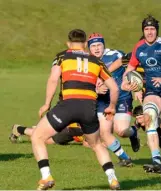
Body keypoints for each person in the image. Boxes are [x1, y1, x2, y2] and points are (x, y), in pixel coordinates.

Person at [30, 29, 120, 190]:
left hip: (68, 106)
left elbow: (52, 80)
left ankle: (46, 177)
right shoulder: (97, 61)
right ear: (85, 44)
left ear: (68, 44)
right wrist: (112, 107)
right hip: (89, 108)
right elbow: (114, 88)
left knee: (37, 136)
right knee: (97, 144)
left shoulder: (62, 57)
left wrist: (46, 104)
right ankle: (112, 179)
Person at [87, 33, 140, 167]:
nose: (97, 48)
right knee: (104, 134)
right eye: (93, 46)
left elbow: (130, 61)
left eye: (99, 45)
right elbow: (86, 85)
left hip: (122, 98)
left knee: (121, 131)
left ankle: (133, 132)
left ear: (104, 45)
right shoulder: (87, 63)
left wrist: (137, 86)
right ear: (89, 48)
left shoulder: (115, 54)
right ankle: (125, 158)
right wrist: (97, 90)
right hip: (103, 102)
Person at [123, 15, 161, 173]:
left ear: (157, 31)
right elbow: (129, 69)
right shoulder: (139, 47)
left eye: (152, 29)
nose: (150, 32)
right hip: (152, 92)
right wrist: (127, 82)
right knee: (149, 117)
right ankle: (157, 162)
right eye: (146, 29)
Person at [9, 123, 84, 145]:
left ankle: (38, 129)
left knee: (46, 135)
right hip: (72, 130)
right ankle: (19, 129)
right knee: (46, 140)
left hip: (75, 129)